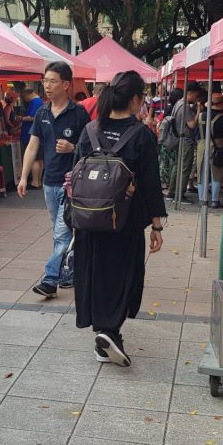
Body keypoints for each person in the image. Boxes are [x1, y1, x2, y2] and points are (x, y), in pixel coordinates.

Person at [73, 71, 166, 366]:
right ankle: (110, 331)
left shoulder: (89, 130)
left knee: (94, 271)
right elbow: (151, 183)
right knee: (123, 274)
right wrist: (156, 224)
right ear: (138, 99)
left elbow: (74, 176)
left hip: (88, 219)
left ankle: (103, 334)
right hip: (124, 222)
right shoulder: (141, 135)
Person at [18, 62, 90, 298]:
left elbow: (92, 148)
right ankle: (70, 272)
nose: (47, 86)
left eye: (52, 81)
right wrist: (23, 177)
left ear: (66, 85)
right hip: (49, 182)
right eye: (45, 81)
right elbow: (32, 146)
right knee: (61, 230)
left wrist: (73, 147)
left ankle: (50, 279)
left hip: (73, 183)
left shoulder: (79, 113)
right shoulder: (42, 113)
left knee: (61, 232)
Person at [167, 81, 202, 203]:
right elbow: (192, 125)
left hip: (178, 138)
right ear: (190, 93)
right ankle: (180, 194)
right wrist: (198, 112)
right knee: (185, 168)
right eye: (195, 95)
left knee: (177, 166)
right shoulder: (185, 106)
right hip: (185, 140)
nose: (196, 98)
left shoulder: (178, 103)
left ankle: (172, 192)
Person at [198, 93, 223, 209]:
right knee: (216, 174)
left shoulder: (201, 115)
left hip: (202, 145)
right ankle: (214, 200)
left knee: (202, 174)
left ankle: (202, 199)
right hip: (218, 146)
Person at [20, 87, 45, 188]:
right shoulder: (40, 101)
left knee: (34, 159)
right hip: (38, 134)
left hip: (31, 134)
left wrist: (21, 118)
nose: (24, 99)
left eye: (24, 96)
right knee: (40, 159)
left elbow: (32, 117)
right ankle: (38, 181)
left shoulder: (35, 102)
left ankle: (35, 181)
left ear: (28, 94)